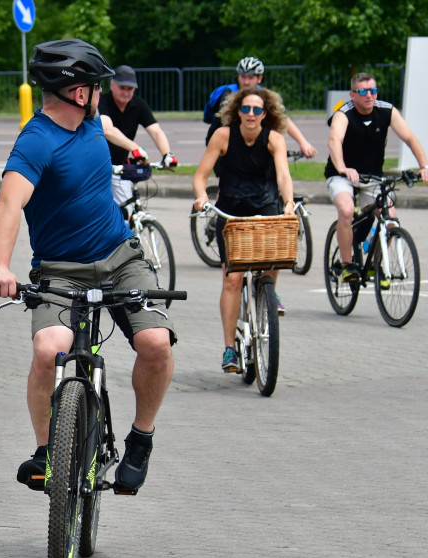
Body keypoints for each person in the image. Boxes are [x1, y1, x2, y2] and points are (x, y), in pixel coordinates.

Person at [0, 39, 177, 495]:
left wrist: (136, 150)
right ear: (77, 92)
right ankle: (46, 451)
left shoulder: (92, 123)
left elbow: (109, 128)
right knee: (49, 348)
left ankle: (141, 439)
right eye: (94, 85)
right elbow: (9, 204)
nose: (100, 93)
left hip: (121, 258)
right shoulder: (36, 142)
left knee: (156, 344)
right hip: (61, 268)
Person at [192, 87, 294, 372]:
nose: (251, 114)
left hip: (266, 207)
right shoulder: (223, 136)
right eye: (246, 109)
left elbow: (283, 175)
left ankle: (269, 292)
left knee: (274, 259)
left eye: (257, 110)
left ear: (265, 113)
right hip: (231, 211)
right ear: (237, 111)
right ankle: (229, 348)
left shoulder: (274, 139)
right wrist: (202, 197)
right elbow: (200, 176)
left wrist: (288, 202)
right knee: (232, 279)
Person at [325, 72, 428, 282]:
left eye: (373, 90)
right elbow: (334, 140)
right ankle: (347, 266)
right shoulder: (343, 114)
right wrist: (343, 167)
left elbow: (410, 138)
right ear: (353, 95)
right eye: (363, 92)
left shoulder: (387, 111)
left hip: (373, 177)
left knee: (391, 221)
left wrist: (424, 166)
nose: (369, 95)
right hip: (343, 174)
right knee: (346, 211)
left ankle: (374, 264)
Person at [98, 65, 177, 212]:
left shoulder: (138, 104)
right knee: (96, 213)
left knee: (128, 211)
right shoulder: (102, 102)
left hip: (119, 168)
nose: (126, 92)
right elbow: (107, 130)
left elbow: (155, 131)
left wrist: (167, 154)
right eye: (122, 87)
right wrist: (135, 148)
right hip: (96, 168)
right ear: (112, 84)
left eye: (130, 89)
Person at [203, 57, 317, 157]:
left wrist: (303, 143)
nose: (246, 82)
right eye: (243, 77)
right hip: (223, 142)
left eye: (251, 77)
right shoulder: (228, 94)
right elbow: (228, 124)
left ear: (259, 79)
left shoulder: (263, 96)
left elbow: (283, 119)